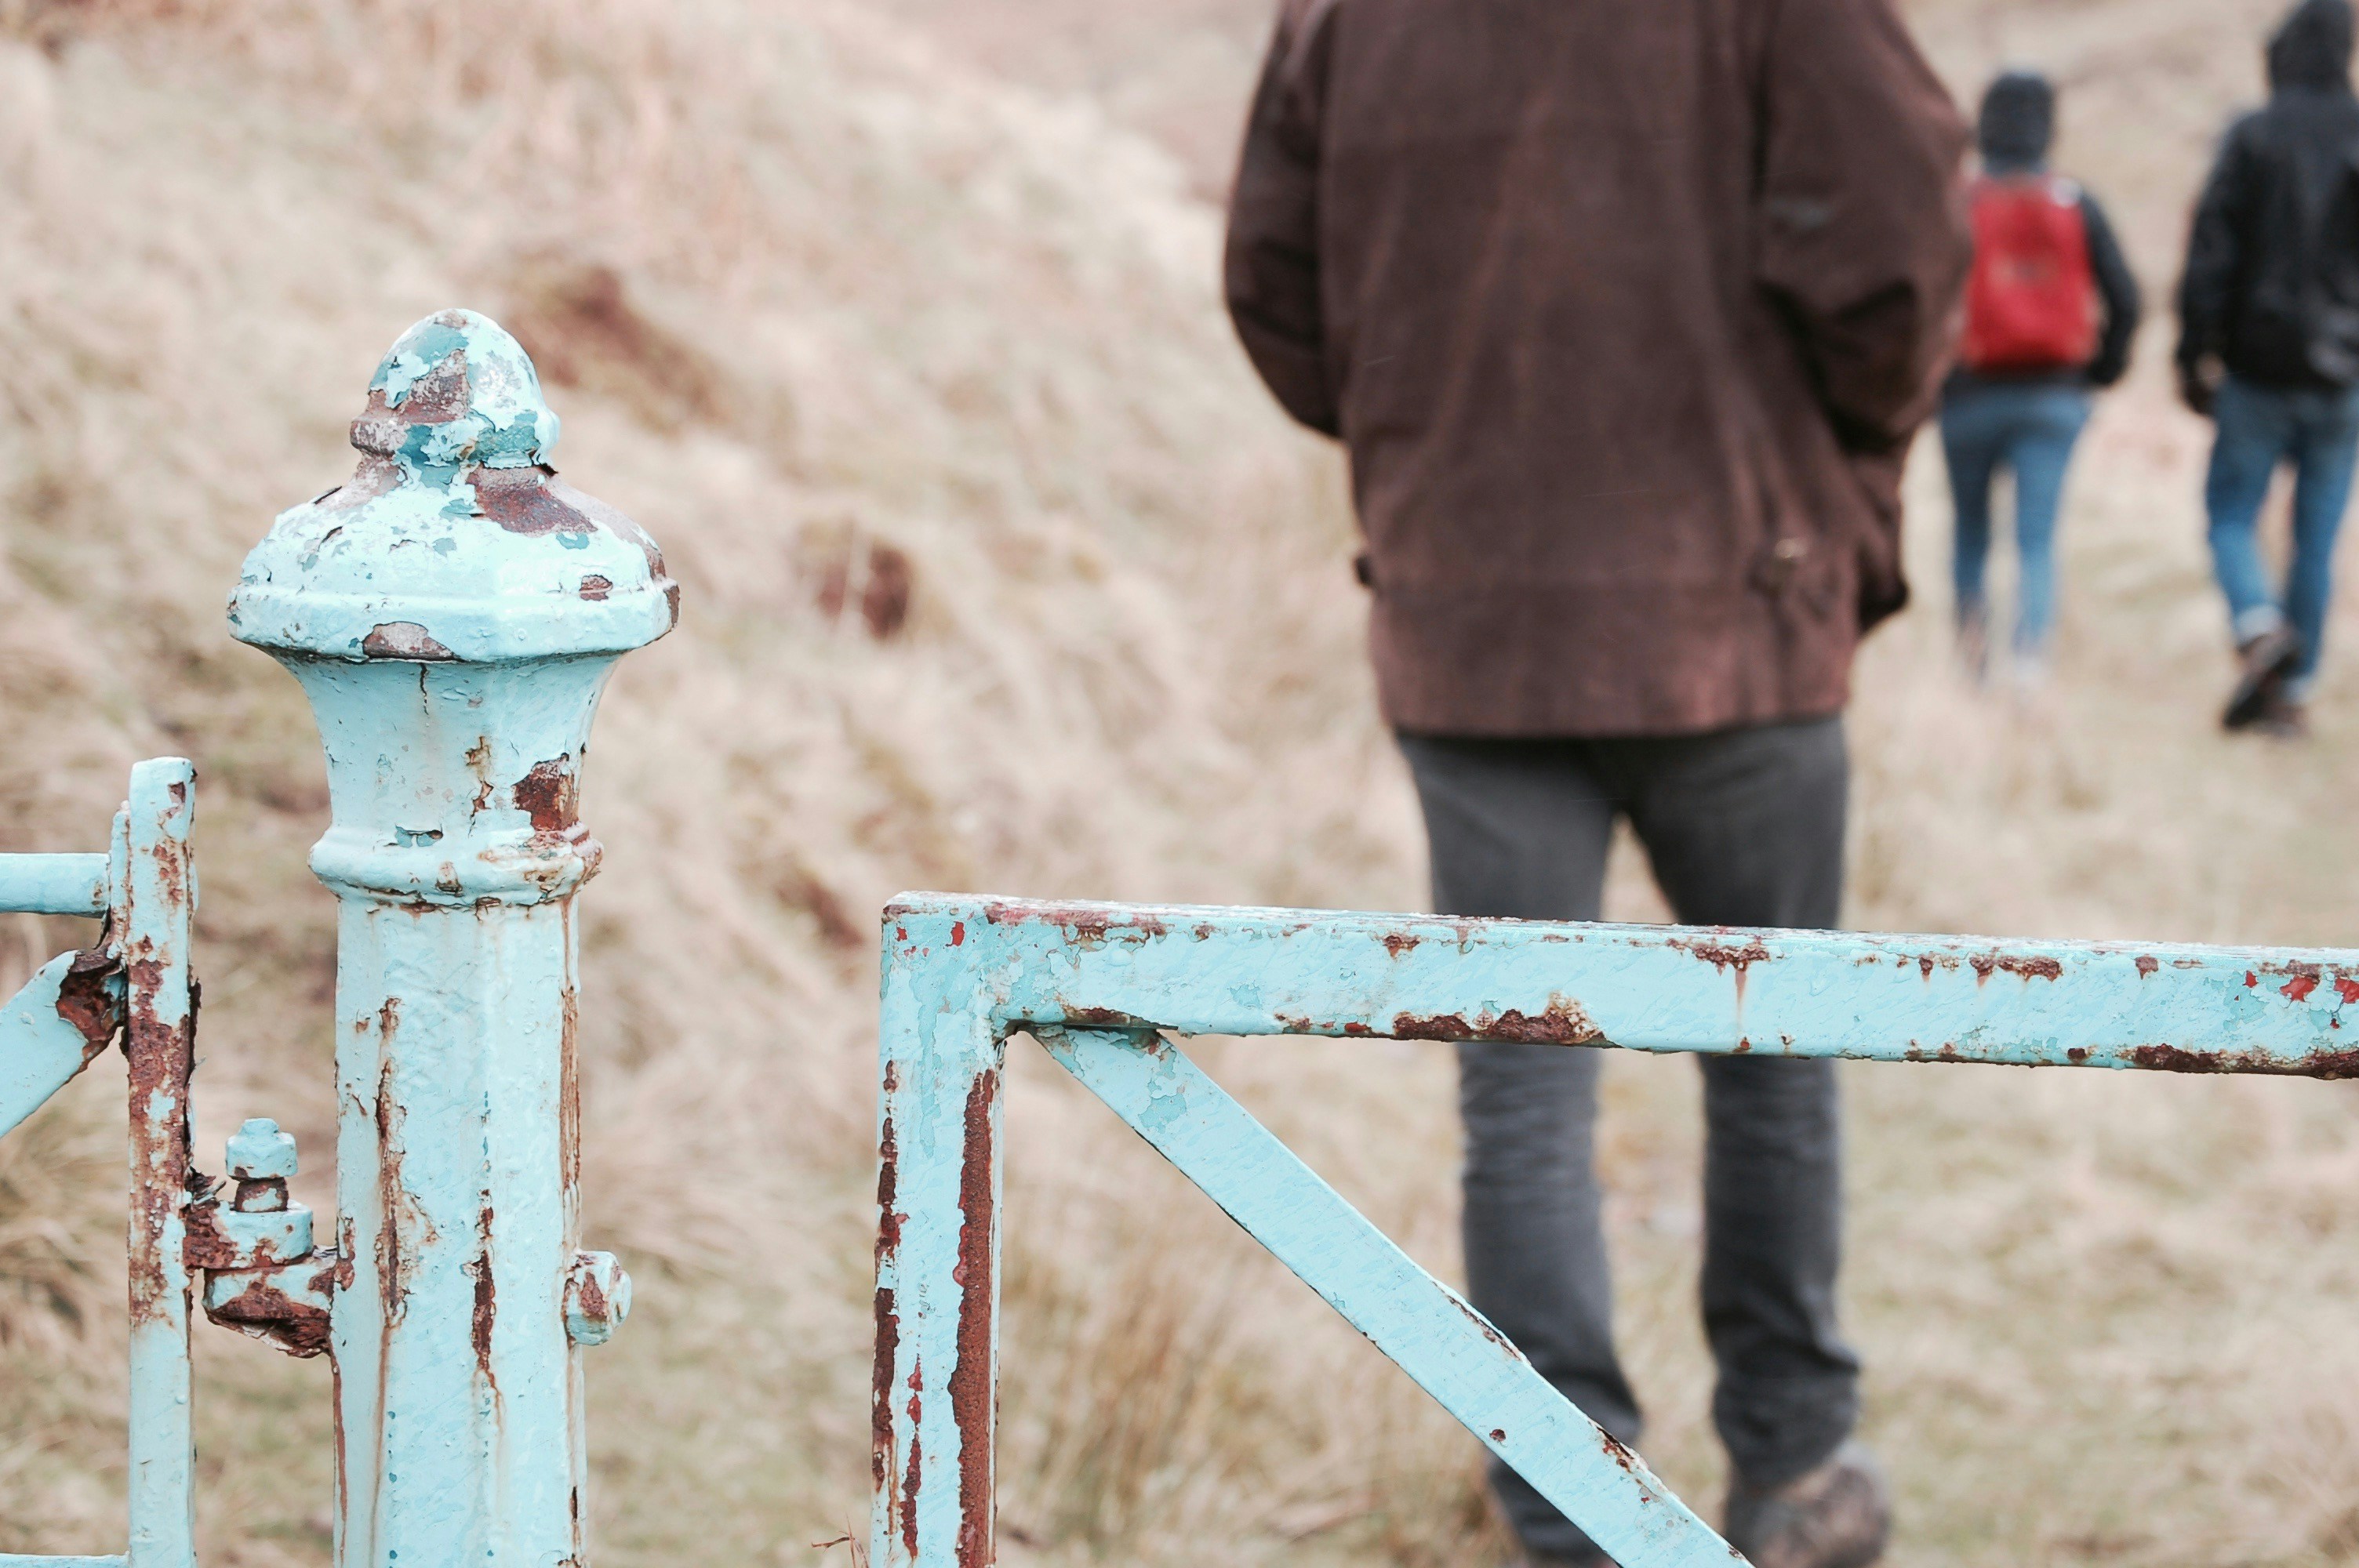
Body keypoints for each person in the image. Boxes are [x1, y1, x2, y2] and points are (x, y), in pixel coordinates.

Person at [1223, 3, 1969, 1565]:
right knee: (1771, 1058)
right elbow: (1897, 236)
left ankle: (1570, 1513)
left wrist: (1435, 445)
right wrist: (1832, 460)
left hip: (1470, 618)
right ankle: (1790, 1474)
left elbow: (1275, 284)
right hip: (1739, 608)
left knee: (1523, 1096)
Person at [2179, 0, 2359, 736]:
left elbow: (2210, 252)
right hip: (2341, 374)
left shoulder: (2252, 136)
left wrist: (2195, 353)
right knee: (2315, 536)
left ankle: (2258, 628)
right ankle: (2294, 687)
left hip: (2257, 369)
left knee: (2230, 513)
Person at [1941, 71, 2141, 686]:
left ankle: (1973, 668)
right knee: (2036, 538)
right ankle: (2029, 666)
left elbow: (1924, 297)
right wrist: (2098, 371)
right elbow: (2126, 299)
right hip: (2055, 393)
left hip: (1969, 394)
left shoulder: (1960, 203)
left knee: (1971, 531)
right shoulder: (2076, 202)